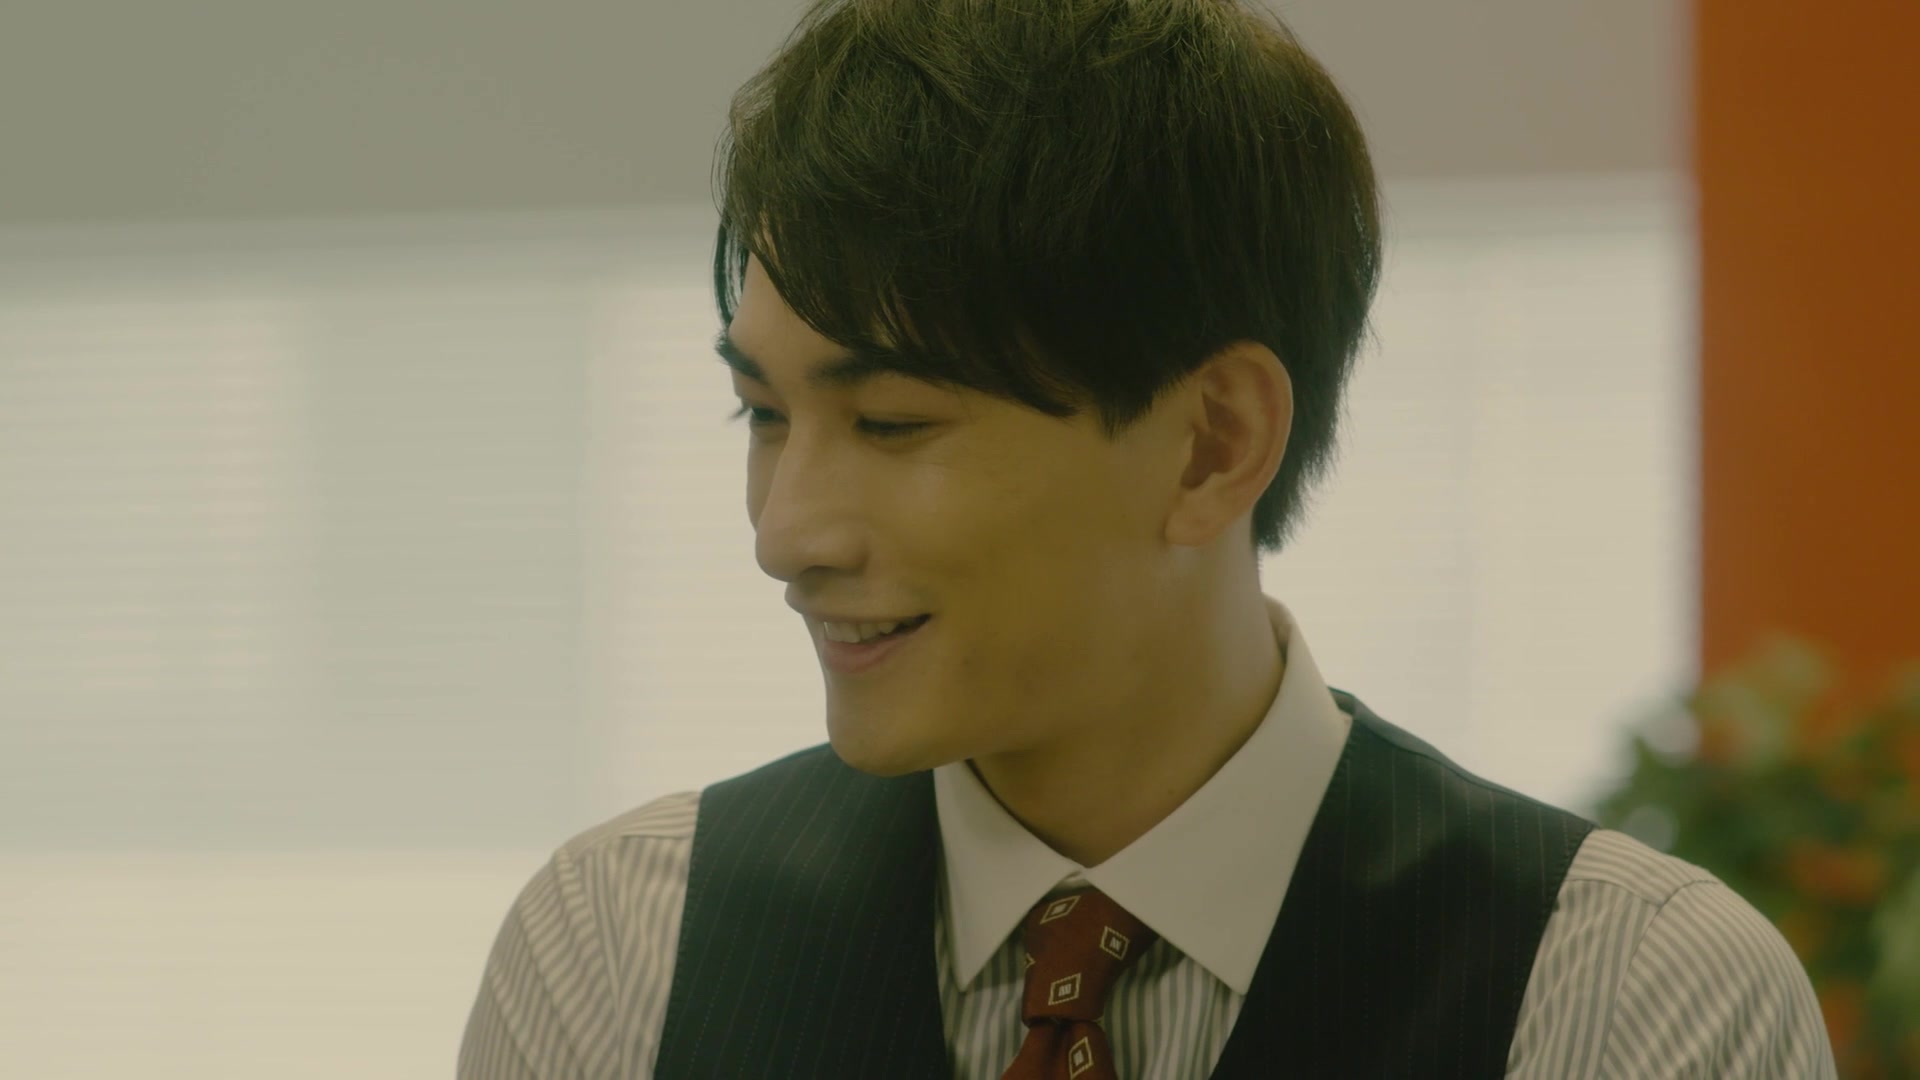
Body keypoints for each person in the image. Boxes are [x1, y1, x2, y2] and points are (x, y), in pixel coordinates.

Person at [458, 0, 1835, 1076]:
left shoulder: (1631, 999)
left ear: (1213, 444)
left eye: (890, 422)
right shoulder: (621, 950)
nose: (785, 533)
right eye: (763, 413)